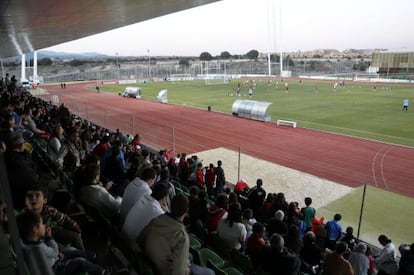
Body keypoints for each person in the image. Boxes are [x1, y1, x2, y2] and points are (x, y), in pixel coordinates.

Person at [138, 194, 213, 275]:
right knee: (210, 272)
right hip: (164, 270)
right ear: (186, 211)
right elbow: (179, 273)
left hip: (152, 261)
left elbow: (140, 239)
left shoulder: (157, 219)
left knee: (190, 256)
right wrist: (186, 271)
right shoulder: (182, 237)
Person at [16, 211, 108, 275]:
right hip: (54, 270)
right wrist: (49, 237)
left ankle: (93, 256)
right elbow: (54, 251)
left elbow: (50, 254)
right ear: (35, 229)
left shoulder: (25, 242)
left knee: (71, 250)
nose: (44, 226)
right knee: (79, 262)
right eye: (42, 224)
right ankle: (102, 271)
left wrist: (56, 255)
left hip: (52, 261)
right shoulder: (38, 248)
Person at [21, 185, 84, 250]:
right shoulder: (24, 215)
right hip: (35, 239)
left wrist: (77, 230)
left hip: (48, 231)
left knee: (75, 238)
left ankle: (84, 256)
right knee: (59, 249)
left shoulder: (50, 211)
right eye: (30, 196)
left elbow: (65, 220)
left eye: (37, 195)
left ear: (44, 200)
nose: (33, 198)